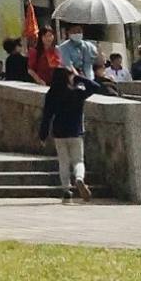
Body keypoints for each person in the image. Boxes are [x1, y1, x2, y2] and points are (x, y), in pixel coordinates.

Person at [39, 68, 97, 202]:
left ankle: (66, 189)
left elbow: (47, 116)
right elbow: (95, 86)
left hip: (59, 131)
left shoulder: (52, 94)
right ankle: (79, 178)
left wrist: (43, 135)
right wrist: (79, 78)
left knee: (63, 161)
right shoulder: (77, 92)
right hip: (75, 131)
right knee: (78, 160)